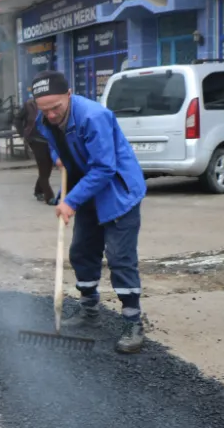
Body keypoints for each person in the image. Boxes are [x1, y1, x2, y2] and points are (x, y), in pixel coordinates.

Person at [31, 70, 148, 354]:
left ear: (69, 94)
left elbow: (105, 168)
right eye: (44, 109)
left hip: (117, 192)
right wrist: (61, 156)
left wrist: (70, 201)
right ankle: (89, 310)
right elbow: (55, 139)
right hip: (88, 189)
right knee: (82, 251)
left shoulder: (93, 117)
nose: (51, 115)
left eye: (56, 107)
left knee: (120, 259)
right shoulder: (46, 116)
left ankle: (133, 322)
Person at [14, 93, 55, 204]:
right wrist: (23, 133)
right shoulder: (29, 105)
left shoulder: (50, 104)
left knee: (49, 167)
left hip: (48, 140)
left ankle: (38, 191)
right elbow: (17, 119)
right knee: (43, 167)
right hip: (35, 139)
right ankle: (49, 196)